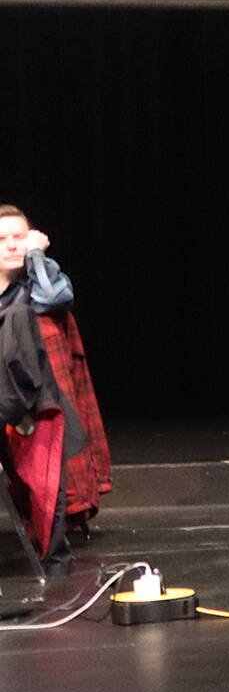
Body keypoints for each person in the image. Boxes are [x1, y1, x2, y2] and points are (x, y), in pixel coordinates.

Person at [0, 205, 112, 543]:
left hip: (32, 391)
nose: (12, 245)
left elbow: (52, 297)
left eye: (20, 237)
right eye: (2, 239)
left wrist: (36, 256)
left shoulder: (39, 279)